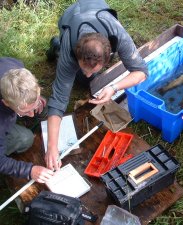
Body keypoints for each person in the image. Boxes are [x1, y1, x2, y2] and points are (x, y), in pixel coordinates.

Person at [45, 0, 148, 171]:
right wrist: (52, 147)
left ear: (108, 57)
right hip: (71, 17)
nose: (88, 73)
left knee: (86, 79)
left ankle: (59, 49)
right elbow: (58, 100)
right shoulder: (70, 48)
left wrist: (113, 88)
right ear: (77, 56)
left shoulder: (117, 34)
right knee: (80, 75)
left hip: (97, 7)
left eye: (92, 69)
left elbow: (142, 72)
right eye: (83, 67)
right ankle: (57, 46)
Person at [0, 57, 54, 183]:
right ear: (6, 103)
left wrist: (36, 100)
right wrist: (29, 171)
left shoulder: (14, 67)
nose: (31, 115)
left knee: (44, 109)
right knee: (25, 138)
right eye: (24, 112)